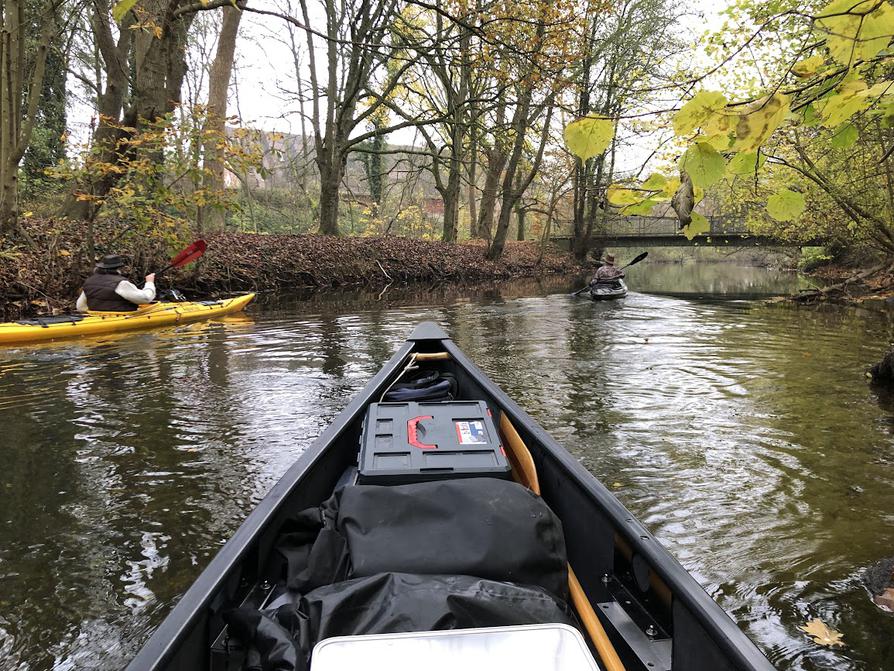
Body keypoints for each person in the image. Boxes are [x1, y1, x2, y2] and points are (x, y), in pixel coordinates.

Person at [76, 255, 156, 312]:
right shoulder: (121, 283)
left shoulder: (89, 281)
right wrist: (149, 282)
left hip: (96, 317)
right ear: (119, 268)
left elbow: (80, 307)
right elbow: (146, 299)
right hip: (120, 318)